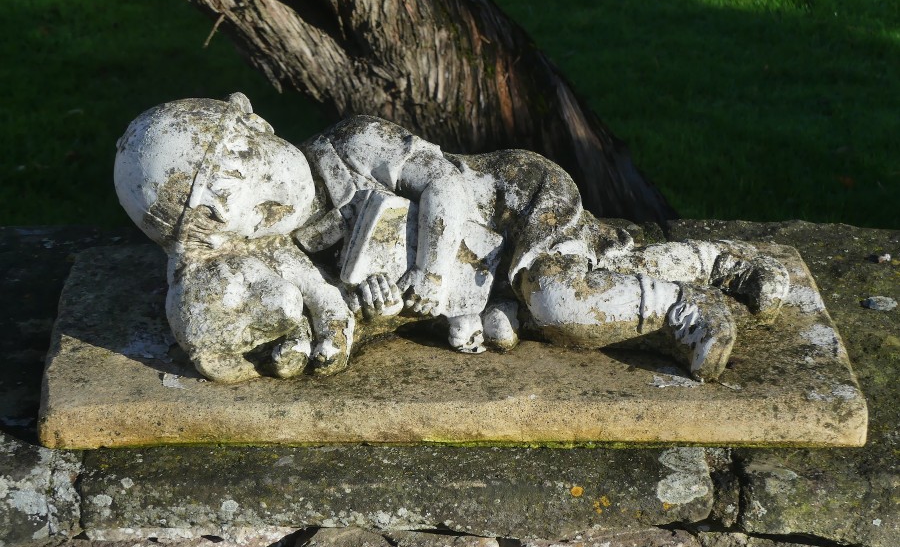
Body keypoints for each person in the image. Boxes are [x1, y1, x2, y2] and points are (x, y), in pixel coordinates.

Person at [114, 93, 790, 383]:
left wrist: (431, 271)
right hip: (483, 282)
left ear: (254, 122)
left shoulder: (352, 145)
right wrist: (382, 307)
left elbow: (443, 182)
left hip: (510, 203)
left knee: (560, 299)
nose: (257, 201)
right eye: (227, 215)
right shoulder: (298, 254)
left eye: (244, 169)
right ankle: (718, 263)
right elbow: (369, 306)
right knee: (591, 273)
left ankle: (688, 309)